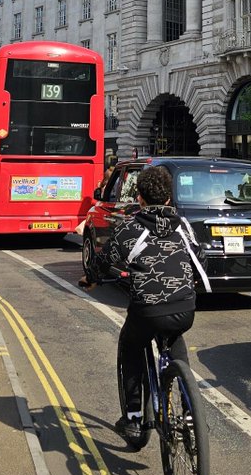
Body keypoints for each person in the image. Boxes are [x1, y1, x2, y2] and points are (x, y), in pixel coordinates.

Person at [78, 165, 210, 445]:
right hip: (185, 308)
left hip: (147, 311)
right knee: (175, 338)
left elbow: (104, 261)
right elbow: (200, 259)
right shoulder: (183, 226)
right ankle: (189, 413)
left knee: (130, 345)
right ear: (168, 199)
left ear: (139, 198)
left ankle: (135, 418)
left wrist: (91, 278)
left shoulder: (131, 228)